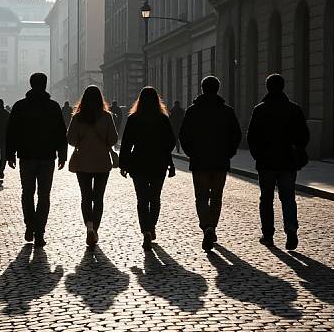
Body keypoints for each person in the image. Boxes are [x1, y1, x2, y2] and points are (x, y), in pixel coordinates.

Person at [247, 74, 310, 251]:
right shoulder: (293, 109)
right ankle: (290, 229)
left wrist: (257, 156)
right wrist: (298, 150)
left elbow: (251, 137)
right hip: (287, 161)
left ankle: (268, 235)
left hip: (266, 162)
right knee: (288, 197)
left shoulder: (260, 109)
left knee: (266, 198)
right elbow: (304, 135)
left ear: (267, 88)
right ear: (283, 87)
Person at [180, 76, 242, 251]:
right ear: (218, 89)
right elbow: (236, 134)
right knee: (216, 196)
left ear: (202, 89)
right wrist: (229, 152)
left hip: (199, 161)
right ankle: (212, 226)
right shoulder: (226, 111)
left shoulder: (193, 111)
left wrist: (191, 153)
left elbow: (184, 135)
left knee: (201, 196)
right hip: (220, 161)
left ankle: (206, 225)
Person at [6, 73, 67, 248]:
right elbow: (60, 133)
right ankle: (39, 231)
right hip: (47, 156)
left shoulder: (20, 106)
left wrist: (10, 154)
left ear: (31, 84)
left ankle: (29, 225)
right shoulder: (53, 107)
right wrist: (62, 154)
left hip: (26, 156)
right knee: (44, 195)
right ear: (45, 85)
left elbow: (12, 132)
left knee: (27, 192)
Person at [120, 87, 176, 250]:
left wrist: (123, 164)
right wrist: (169, 161)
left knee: (142, 200)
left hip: (138, 163)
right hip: (158, 162)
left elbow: (126, 143)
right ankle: (151, 227)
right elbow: (170, 142)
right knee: (155, 198)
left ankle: (145, 230)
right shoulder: (162, 119)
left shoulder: (134, 118)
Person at [67, 86, 118, 247]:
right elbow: (113, 139)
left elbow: (71, 140)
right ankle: (95, 228)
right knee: (99, 197)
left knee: (86, 197)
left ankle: (88, 226)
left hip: (82, 162)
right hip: (102, 163)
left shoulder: (77, 118)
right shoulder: (106, 117)